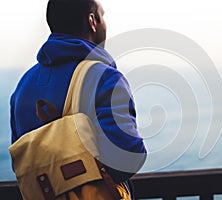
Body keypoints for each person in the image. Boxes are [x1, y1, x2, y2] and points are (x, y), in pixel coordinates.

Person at [9, 0, 147, 199]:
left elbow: (23, 163)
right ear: (92, 21)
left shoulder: (23, 86)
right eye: (103, 15)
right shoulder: (105, 78)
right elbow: (128, 158)